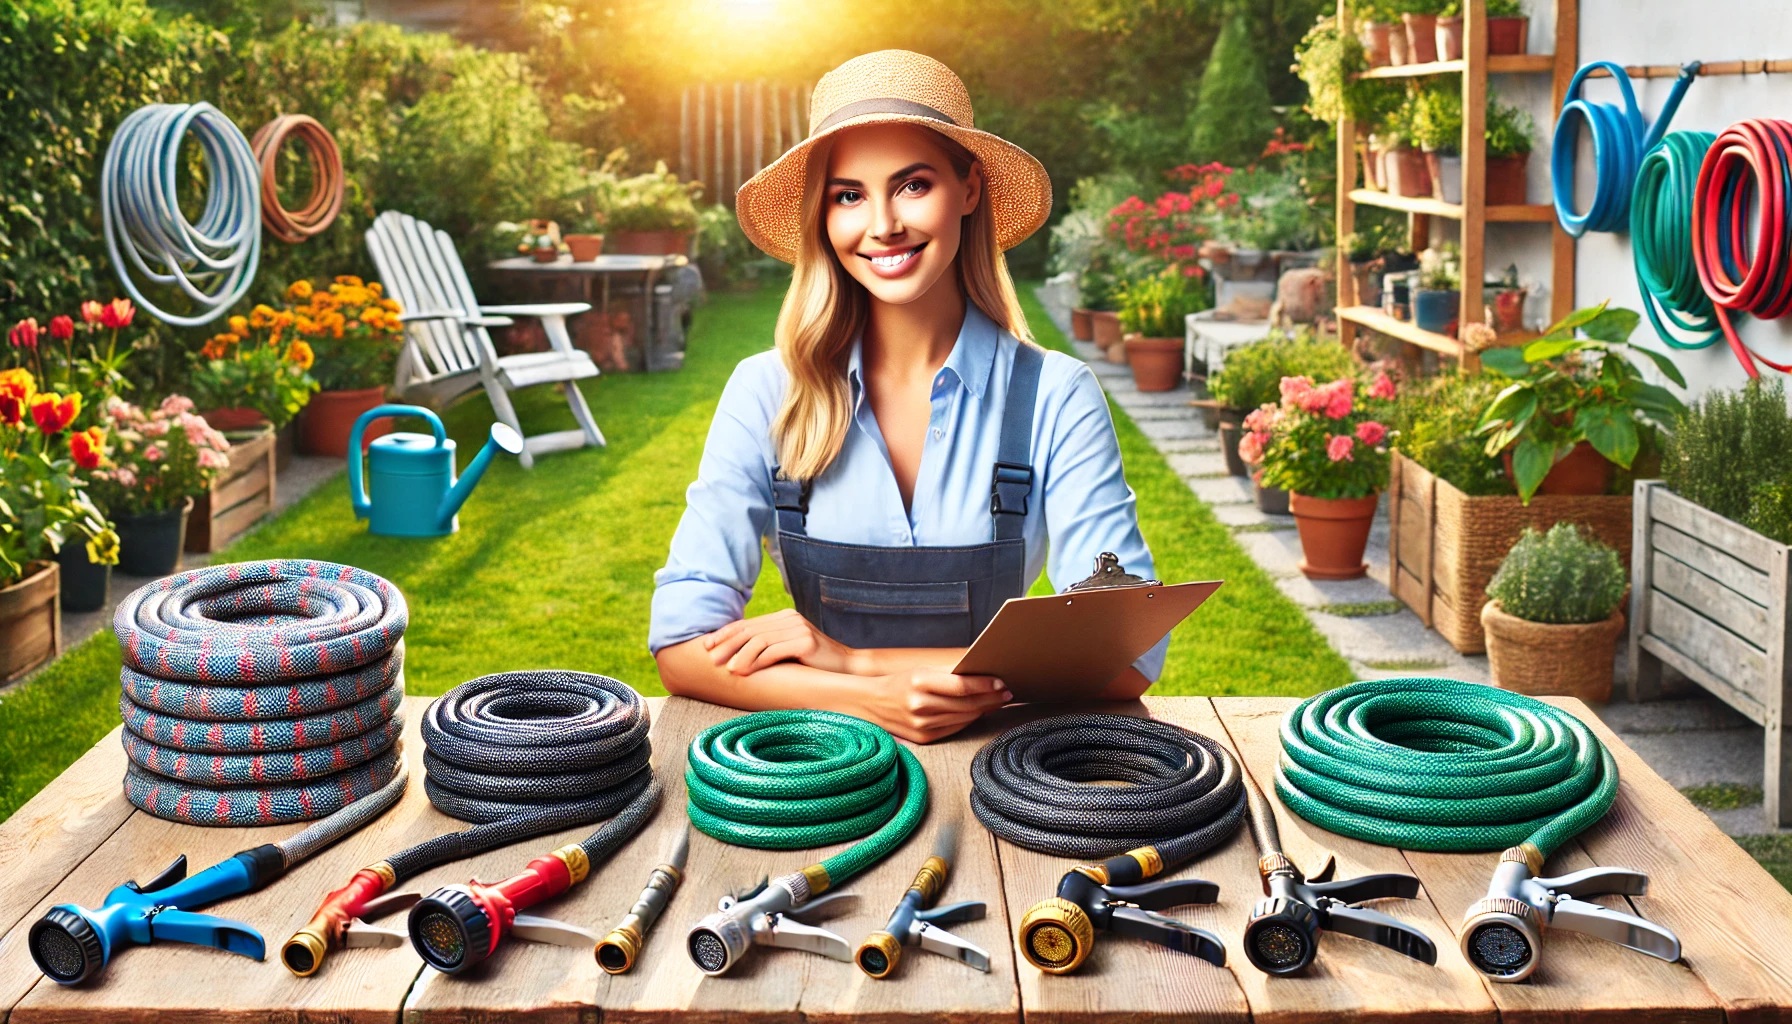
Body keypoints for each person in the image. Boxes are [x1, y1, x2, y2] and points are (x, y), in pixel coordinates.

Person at [650, 50, 1164, 743]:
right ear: (823, 217)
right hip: (821, 770)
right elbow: (683, 645)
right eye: (849, 195)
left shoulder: (1054, 396)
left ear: (970, 189)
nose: (883, 224)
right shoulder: (766, 391)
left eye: (913, 185)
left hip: (1007, 774)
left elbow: (1123, 651)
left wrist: (854, 661)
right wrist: (864, 701)